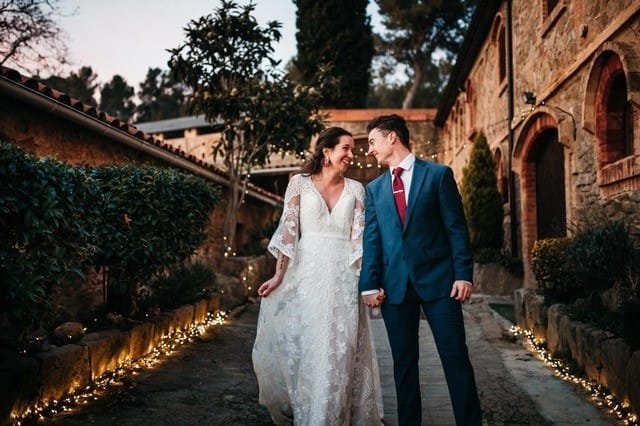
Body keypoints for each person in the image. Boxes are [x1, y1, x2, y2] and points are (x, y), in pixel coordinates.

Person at [252, 127, 384, 425]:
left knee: (341, 350)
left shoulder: (357, 189)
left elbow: (359, 241)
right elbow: (289, 233)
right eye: (346, 148)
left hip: (344, 279)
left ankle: (334, 415)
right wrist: (278, 275)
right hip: (308, 275)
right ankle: (311, 415)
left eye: (352, 149)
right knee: (310, 346)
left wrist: (368, 283)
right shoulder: (298, 184)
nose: (351, 155)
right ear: (327, 151)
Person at [359, 114, 483, 426]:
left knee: (455, 358)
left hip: (441, 284)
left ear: (392, 137)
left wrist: (463, 274)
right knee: (403, 366)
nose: (369, 149)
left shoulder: (438, 175)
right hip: (395, 288)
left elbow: (456, 229)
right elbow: (372, 240)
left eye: (372, 141)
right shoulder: (374, 189)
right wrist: (369, 284)